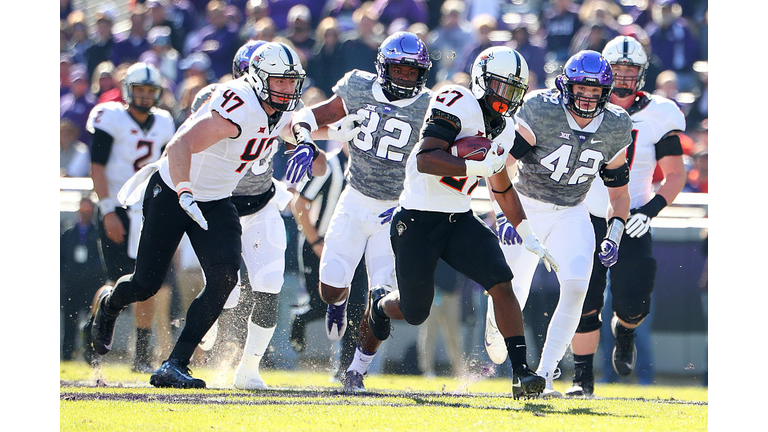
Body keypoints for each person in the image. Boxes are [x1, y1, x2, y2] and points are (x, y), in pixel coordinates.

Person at [84, 41, 322, 389]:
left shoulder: (278, 102)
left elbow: (297, 119)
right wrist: (183, 190)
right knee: (147, 283)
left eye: (291, 81)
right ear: (258, 79)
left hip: (215, 198)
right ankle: (109, 304)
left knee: (225, 279)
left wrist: (305, 141)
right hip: (172, 190)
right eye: (280, 81)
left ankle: (174, 364)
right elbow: (179, 145)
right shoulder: (239, 104)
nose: (288, 89)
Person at [369, 46, 556, 398]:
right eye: (501, 86)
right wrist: (475, 168)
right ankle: (380, 306)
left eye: (514, 90)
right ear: (483, 80)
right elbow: (426, 158)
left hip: (458, 217)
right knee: (415, 312)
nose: (507, 97)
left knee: (502, 282)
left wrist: (527, 233)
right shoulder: (458, 100)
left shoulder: (506, 128)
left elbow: (501, 187)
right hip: (417, 218)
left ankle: (521, 373)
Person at [288, 31, 435, 390]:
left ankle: (357, 370)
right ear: (383, 68)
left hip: (396, 210)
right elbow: (306, 118)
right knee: (328, 290)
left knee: (380, 297)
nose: (404, 77)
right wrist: (307, 142)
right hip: (355, 200)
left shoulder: (430, 104)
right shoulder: (357, 87)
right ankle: (336, 302)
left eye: (412, 72)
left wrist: (411, 203)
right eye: (398, 70)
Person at [484, 49, 632, 398]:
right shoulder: (542, 110)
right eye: (582, 88)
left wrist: (615, 233)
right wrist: (504, 213)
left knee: (578, 285)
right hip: (526, 206)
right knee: (511, 291)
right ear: (566, 87)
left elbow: (620, 195)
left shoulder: (615, 124)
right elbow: (500, 166)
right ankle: (495, 323)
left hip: (571, 210)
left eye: (596, 91)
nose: (588, 97)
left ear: (606, 93)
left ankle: (545, 375)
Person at [565, 36, 687, 397]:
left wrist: (650, 211)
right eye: (616, 69)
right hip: (585, 215)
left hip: (632, 217)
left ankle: (626, 331)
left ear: (641, 74)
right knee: (583, 300)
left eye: (629, 70)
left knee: (633, 304)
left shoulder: (659, 114)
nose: (622, 77)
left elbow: (675, 174)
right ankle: (581, 380)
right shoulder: (582, 106)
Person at [84, 62, 176, 373]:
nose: (145, 97)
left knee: (146, 283)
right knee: (115, 282)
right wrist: (108, 209)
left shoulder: (164, 122)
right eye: (140, 90)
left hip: (147, 209)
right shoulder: (110, 116)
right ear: (128, 91)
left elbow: (168, 170)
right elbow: (97, 167)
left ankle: (140, 354)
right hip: (118, 207)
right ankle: (94, 328)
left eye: (151, 91)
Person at [289, 140, 368, 380]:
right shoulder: (330, 166)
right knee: (324, 304)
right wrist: (315, 242)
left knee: (355, 309)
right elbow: (299, 203)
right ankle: (301, 318)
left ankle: (346, 370)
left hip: (356, 249)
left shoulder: (368, 168)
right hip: (321, 246)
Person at [60, 197, 106, 361]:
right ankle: (68, 354)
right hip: (72, 284)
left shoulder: (98, 234)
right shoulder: (68, 234)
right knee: (70, 320)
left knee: (91, 321)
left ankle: (90, 355)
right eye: (82, 210)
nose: (85, 213)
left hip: (91, 284)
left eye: (88, 210)